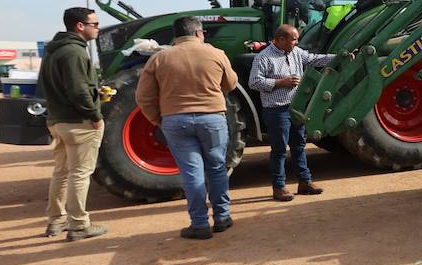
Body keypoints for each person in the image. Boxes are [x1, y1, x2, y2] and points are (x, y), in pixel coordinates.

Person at [136, 16, 238, 239]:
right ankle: (222, 217)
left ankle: (199, 224)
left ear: (176, 35)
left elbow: (143, 96)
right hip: (212, 119)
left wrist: (158, 119)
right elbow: (230, 84)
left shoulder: (159, 58)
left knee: (192, 173)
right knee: (217, 167)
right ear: (199, 33)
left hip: (175, 121)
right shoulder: (215, 53)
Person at [38, 7, 107, 241]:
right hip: (79, 122)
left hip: (58, 120)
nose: (98, 28)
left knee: (62, 172)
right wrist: (95, 115)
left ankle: (55, 221)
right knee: (80, 173)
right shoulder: (75, 52)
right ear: (80, 26)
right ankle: (79, 225)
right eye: (94, 24)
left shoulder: (53, 51)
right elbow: (78, 91)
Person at [249, 24, 336, 201]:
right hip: (276, 110)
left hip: (296, 108)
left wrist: (341, 57)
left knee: (299, 146)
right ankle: (279, 187)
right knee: (279, 149)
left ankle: (305, 182)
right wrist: (281, 83)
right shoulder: (264, 57)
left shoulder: (296, 52)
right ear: (281, 39)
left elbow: (315, 59)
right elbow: (254, 82)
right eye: (294, 39)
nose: (296, 43)